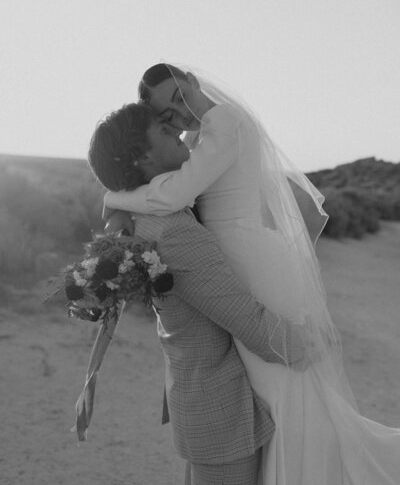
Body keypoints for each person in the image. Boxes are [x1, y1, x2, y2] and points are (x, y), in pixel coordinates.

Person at [103, 63, 400, 485]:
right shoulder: (197, 136)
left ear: (191, 79)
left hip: (250, 259)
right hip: (231, 258)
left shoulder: (225, 121)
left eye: (179, 95)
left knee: (281, 384)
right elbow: (164, 183)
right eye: (166, 113)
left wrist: (113, 196)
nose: (179, 111)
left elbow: (175, 193)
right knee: (270, 389)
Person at [88, 102, 315, 485]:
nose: (177, 131)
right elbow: (242, 315)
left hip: (200, 399)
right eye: (164, 131)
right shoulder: (171, 230)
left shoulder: (144, 215)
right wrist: (305, 346)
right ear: (144, 155)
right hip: (219, 410)